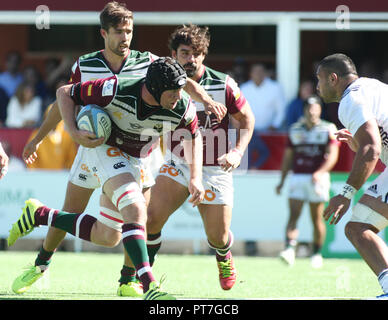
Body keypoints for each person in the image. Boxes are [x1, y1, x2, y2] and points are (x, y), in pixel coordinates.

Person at [17, 1, 226, 298]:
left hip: (140, 151)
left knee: (125, 224)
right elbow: (63, 101)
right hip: (96, 148)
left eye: (129, 31)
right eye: (118, 32)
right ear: (104, 33)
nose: (125, 37)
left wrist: (205, 98)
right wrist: (41, 138)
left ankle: (127, 279)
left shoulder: (148, 61)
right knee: (74, 211)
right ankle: (40, 265)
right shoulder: (85, 65)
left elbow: (180, 80)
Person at [140, 24, 254, 291]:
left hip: (215, 170)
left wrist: (237, 151)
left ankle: (224, 255)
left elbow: (247, 119)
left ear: (203, 55)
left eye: (195, 54)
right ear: (173, 54)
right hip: (178, 163)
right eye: (184, 53)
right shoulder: (162, 79)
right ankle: (144, 275)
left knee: (218, 236)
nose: (190, 59)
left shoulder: (223, 84)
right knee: (152, 217)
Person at [316, 53, 388, 298]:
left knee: (358, 229)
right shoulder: (372, 87)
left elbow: (372, 149)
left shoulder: (350, 100)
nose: (317, 87)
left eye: (319, 80)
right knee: (358, 228)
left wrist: (346, 194)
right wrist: (359, 142)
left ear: (333, 79)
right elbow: (372, 142)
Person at [276, 95, 340, 268]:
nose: (312, 111)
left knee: (316, 218)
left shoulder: (328, 128)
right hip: (298, 177)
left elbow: (333, 155)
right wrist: (282, 181)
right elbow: (288, 157)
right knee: (293, 215)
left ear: (320, 110)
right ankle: (289, 249)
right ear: (304, 110)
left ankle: (317, 253)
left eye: (315, 108)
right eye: (309, 108)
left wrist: (320, 172)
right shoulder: (295, 129)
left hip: (317, 179)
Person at [240, 63, 286, 169]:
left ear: (265, 73)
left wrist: (275, 125)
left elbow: (281, 110)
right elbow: (240, 109)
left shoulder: (275, 87)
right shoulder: (244, 88)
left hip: (271, 132)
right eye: (255, 72)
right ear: (250, 74)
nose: (258, 74)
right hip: (249, 131)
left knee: (270, 157)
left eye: (261, 72)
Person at [25, 104, 77, 170]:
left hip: (61, 177)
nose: (54, 121)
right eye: (51, 118)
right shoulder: (36, 135)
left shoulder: (66, 136)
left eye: (57, 118)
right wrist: (36, 174)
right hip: (40, 176)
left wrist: (65, 173)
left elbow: (71, 159)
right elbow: (30, 160)